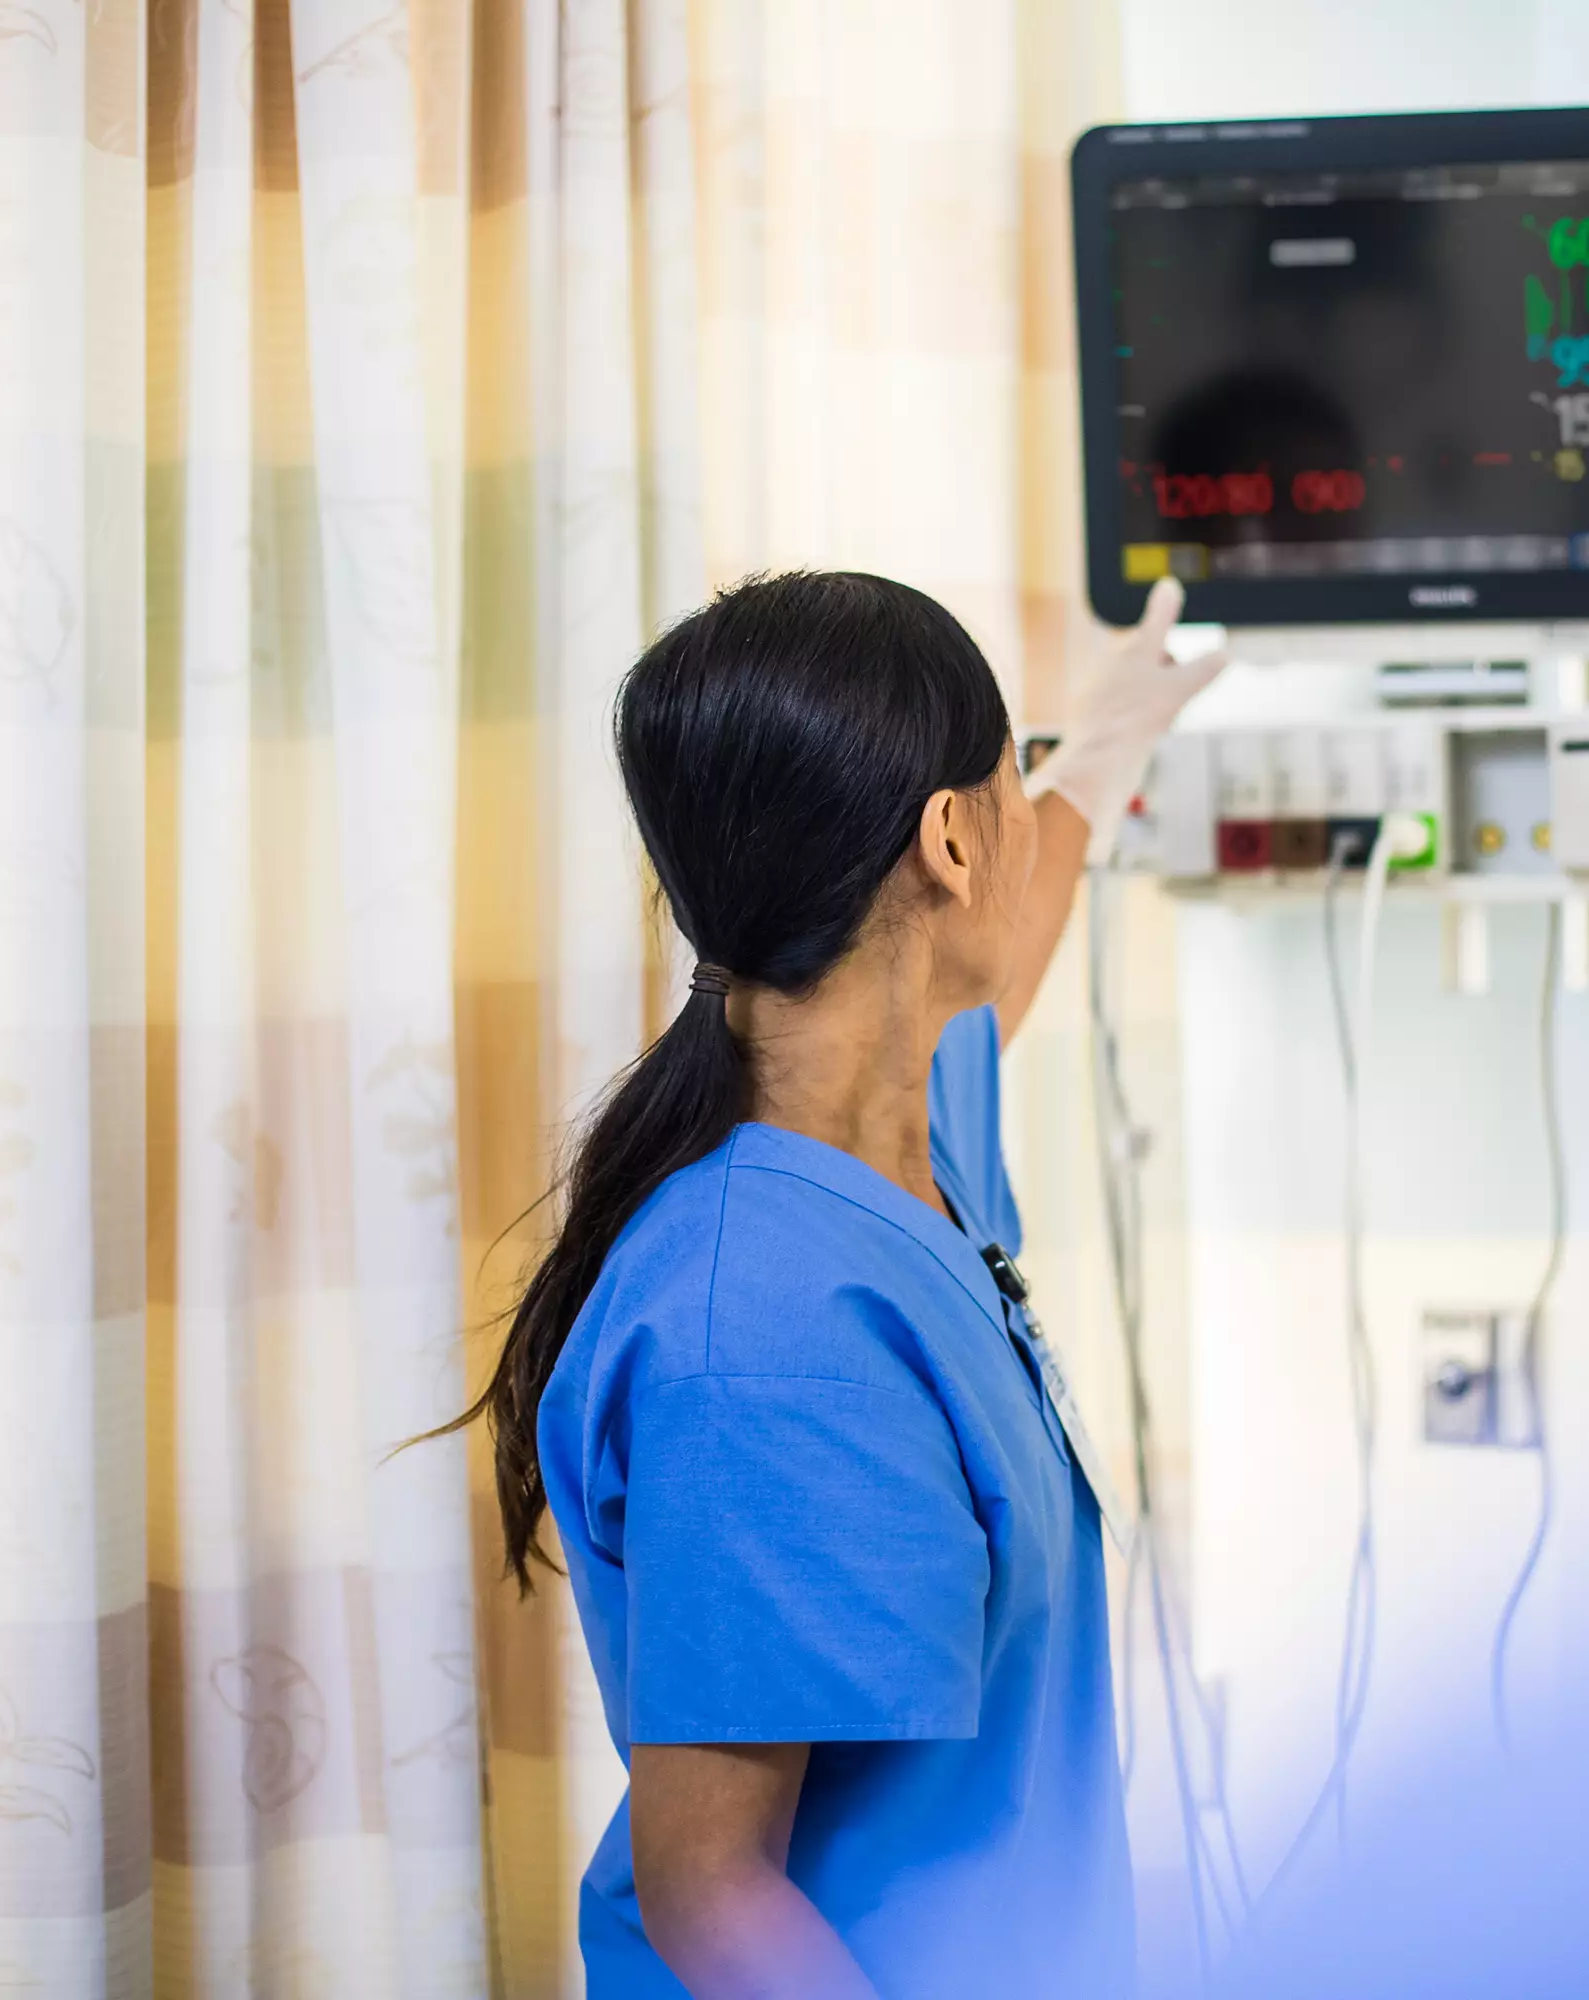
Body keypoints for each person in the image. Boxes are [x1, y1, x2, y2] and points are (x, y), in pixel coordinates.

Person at [463, 569, 1219, 1997]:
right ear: (951, 838)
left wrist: (1102, 751)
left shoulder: (890, 1146)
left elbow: (1006, 950)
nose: (1025, 809)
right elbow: (714, 1898)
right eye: (1010, 775)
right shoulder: (764, 1330)